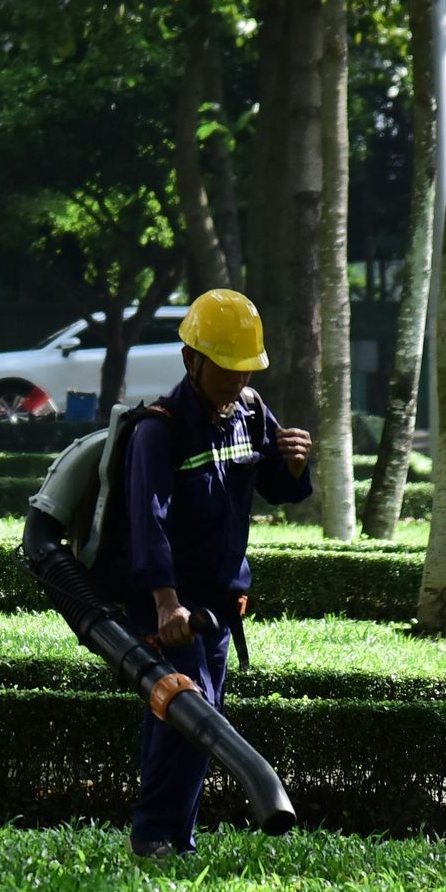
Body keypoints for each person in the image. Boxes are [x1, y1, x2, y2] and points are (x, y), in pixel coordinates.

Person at [107, 289, 314, 859]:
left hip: (218, 607)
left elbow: (276, 484)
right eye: (224, 366)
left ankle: (177, 836)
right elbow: (148, 524)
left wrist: (294, 466)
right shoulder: (159, 430)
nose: (236, 378)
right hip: (170, 604)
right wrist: (165, 604)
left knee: (198, 720)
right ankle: (154, 834)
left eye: (244, 367)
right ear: (190, 361)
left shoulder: (249, 410)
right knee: (188, 714)